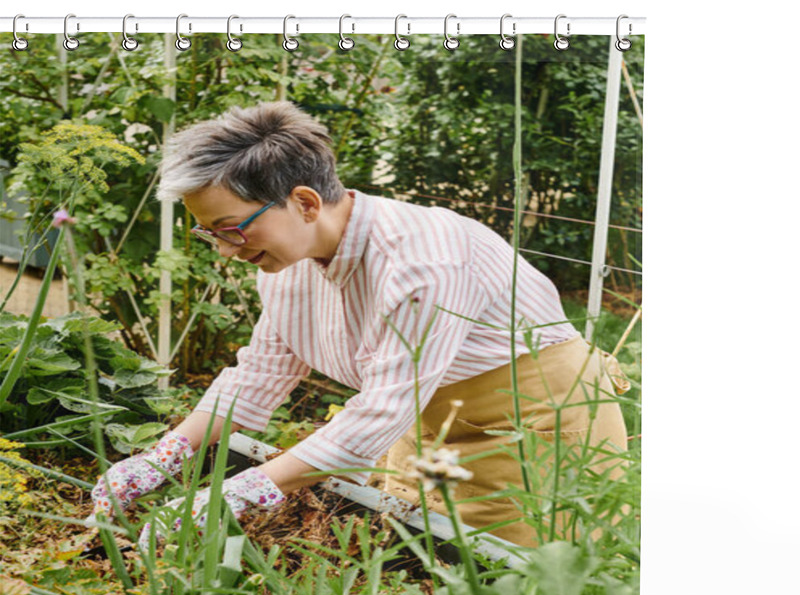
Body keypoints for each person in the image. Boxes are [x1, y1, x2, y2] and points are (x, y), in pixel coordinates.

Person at [90, 101, 629, 549]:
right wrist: (163, 458)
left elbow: (381, 408)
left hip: (531, 419)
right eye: (211, 234)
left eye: (231, 229)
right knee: (412, 556)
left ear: (304, 202)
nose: (226, 250)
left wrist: (241, 491)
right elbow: (258, 375)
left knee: (508, 579)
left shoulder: (422, 261)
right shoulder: (285, 264)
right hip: (425, 417)